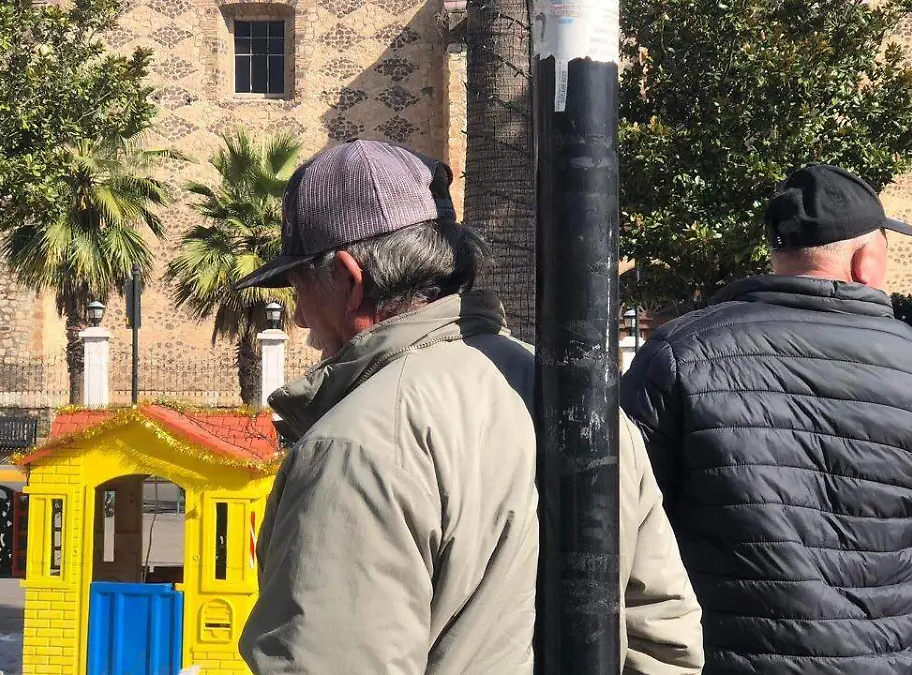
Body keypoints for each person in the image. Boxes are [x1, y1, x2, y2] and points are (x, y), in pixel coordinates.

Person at [235, 139, 703, 674]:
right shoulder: (585, 402)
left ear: (349, 279)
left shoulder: (356, 445)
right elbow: (664, 639)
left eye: (299, 289)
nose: (299, 318)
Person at [620, 164, 912, 675]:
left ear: (778, 254)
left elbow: (624, 504)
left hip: (724, 657)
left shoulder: (678, 353)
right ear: (866, 261)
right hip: (885, 660)